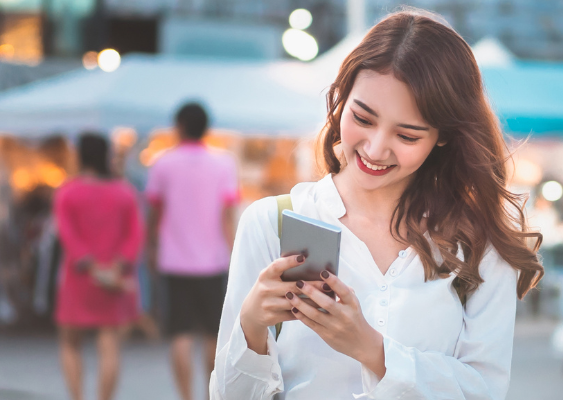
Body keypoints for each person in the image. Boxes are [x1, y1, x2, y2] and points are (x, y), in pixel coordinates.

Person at [211, 9, 544, 399]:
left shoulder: (478, 242)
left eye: (407, 135)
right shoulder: (273, 222)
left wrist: (375, 352)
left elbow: (485, 391)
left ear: (442, 137)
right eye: (363, 118)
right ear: (341, 96)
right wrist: (250, 327)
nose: (375, 148)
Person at [145, 102, 239, 400]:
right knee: (213, 335)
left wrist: (151, 245)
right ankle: (210, 395)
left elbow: (154, 212)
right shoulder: (224, 163)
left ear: (180, 126)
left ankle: (185, 396)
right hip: (213, 262)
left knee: (180, 335)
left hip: (174, 262)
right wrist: (235, 252)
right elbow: (227, 215)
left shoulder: (163, 163)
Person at [54, 134, 143, 400]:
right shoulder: (124, 191)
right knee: (110, 344)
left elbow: (67, 235)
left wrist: (90, 265)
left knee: (70, 343)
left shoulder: (67, 192)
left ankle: (77, 396)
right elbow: (135, 234)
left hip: (80, 277)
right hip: (114, 277)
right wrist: (117, 265)